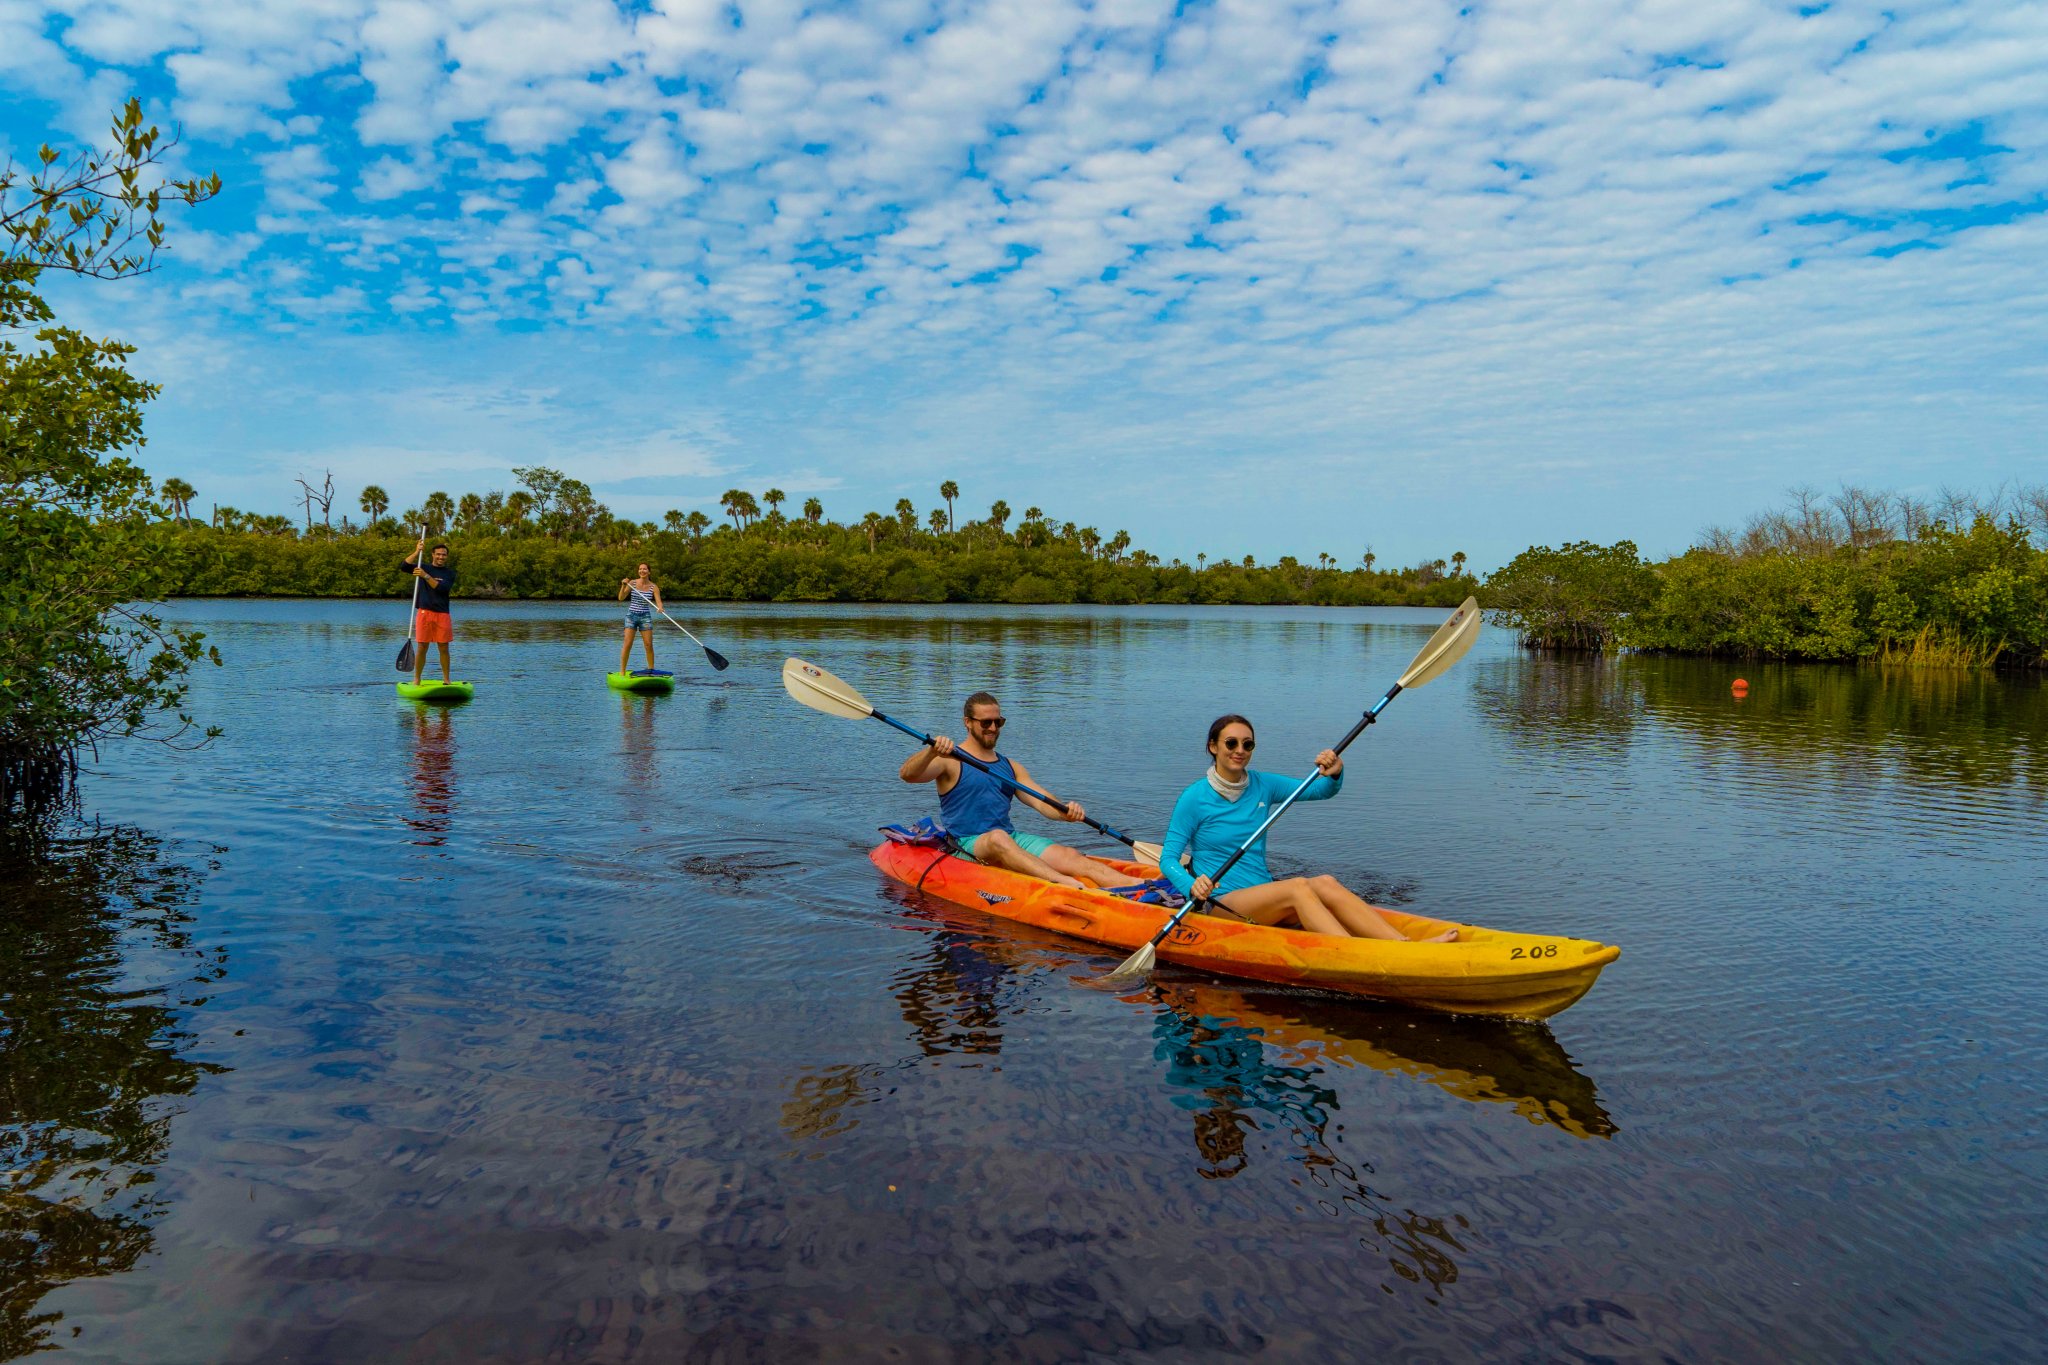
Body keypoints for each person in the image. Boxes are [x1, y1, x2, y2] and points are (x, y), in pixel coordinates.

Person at [1157, 714, 1457, 941]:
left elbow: (1321, 790)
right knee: (1299, 886)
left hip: (1264, 894)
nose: (1240, 750)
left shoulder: (1263, 785)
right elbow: (1168, 859)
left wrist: (1335, 771)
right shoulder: (1194, 797)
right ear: (1213, 746)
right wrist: (1191, 887)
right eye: (1231, 743)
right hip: (1220, 903)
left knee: (1324, 881)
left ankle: (1402, 944)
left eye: (1247, 744)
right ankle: (1355, 954)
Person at [899, 692, 1141, 890]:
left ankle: (1140, 886)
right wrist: (931, 751)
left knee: (1069, 855)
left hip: (1009, 839)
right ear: (967, 723)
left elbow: (1042, 802)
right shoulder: (949, 760)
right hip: (966, 844)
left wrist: (1065, 812)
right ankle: (1064, 884)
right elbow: (908, 775)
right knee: (998, 838)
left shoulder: (1011, 767)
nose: (993, 728)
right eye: (985, 722)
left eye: (998, 722)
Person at [402, 538, 456, 685]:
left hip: (442, 613)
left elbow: (441, 588)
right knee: (422, 646)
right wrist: (417, 551)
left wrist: (425, 575)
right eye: (438, 554)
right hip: (424, 613)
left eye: (444, 555)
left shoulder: (449, 573)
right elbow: (404, 566)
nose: (441, 557)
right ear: (433, 554)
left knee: (444, 647)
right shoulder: (422, 566)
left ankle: (446, 680)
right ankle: (417, 679)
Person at [617, 563, 663, 673]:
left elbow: (659, 602)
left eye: (645, 569)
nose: (642, 571)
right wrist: (623, 585)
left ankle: (651, 670)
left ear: (649, 572)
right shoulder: (632, 583)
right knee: (627, 644)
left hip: (645, 617)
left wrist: (660, 608)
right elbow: (621, 598)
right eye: (640, 569)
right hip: (631, 616)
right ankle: (622, 671)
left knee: (648, 644)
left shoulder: (654, 587)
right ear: (638, 571)